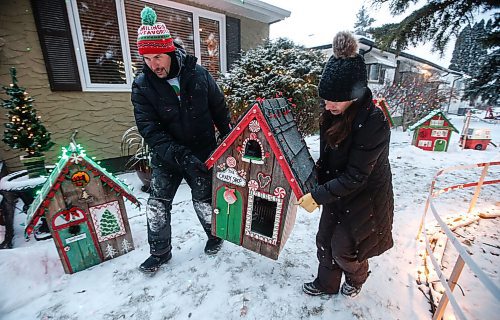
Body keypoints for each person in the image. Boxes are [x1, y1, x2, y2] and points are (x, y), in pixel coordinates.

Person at [131, 6, 232, 274]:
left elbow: (218, 106)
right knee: (157, 203)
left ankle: (214, 236)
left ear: (170, 51)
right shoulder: (142, 85)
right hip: (167, 156)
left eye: (158, 57)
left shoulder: (197, 74)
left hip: (201, 150)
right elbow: (149, 128)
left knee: (203, 198)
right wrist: (177, 154)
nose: (154, 65)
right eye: (147, 59)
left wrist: (227, 133)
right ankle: (160, 252)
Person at [298, 31, 394, 298]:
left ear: (355, 94)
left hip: (364, 197)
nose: (328, 105)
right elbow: (329, 157)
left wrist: (317, 196)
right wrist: (314, 174)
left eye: (334, 99)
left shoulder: (373, 122)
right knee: (324, 240)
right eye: (325, 98)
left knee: (345, 248)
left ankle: (357, 277)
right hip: (336, 189)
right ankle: (326, 284)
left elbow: (356, 176)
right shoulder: (331, 114)